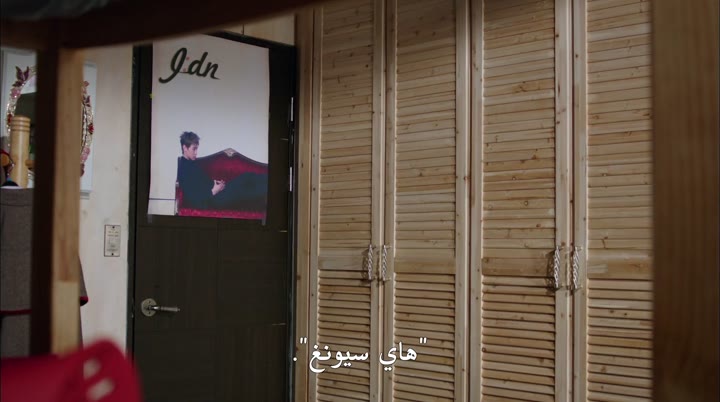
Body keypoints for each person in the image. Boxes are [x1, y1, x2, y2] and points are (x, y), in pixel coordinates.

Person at [176, 131, 267, 210]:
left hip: (217, 193)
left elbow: (201, 182)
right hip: (213, 200)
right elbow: (194, 199)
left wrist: (216, 183)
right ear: (185, 148)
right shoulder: (184, 169)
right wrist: (214, 191)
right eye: (194, 149)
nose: (196, 153)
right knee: (244, 191)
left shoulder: (191, 163)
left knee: (246, 176)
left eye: (197, 149)